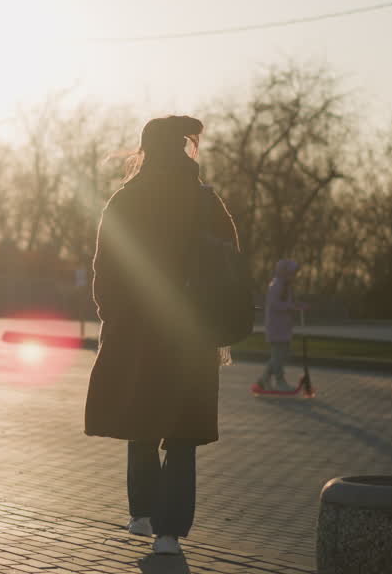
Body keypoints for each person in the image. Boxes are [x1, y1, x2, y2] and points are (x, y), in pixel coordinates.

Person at [84, 115, 239, 557]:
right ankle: (168, 534)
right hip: (192, 334)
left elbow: (105, 270)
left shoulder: (125, 200)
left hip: (137, 331)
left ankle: (142, 513)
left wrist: (114, 317)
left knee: (142, 421)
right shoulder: (206, 201)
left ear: (145, 150)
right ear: (186, 149)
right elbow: (231, 265)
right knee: (183, 431)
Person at [260, 258, 304, 392]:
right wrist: (290, 307)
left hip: (283, 327)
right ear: (284, 273)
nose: (294, 276)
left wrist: (297, 306)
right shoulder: (276, 285)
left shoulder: (285, 286)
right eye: (291, 273)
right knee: (278, 356)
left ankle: (264, 379)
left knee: (281, 355)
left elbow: (286, 304)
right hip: (276, 327)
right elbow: (274, 305)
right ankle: (279, 381)